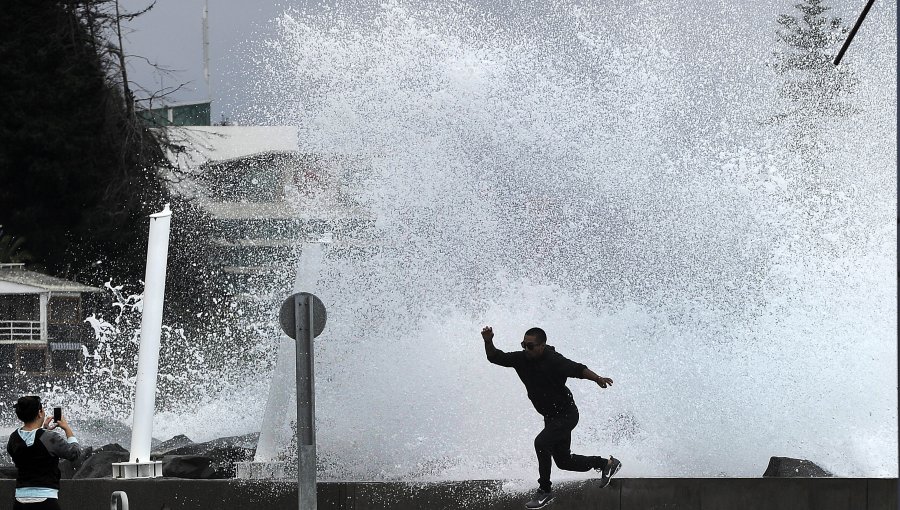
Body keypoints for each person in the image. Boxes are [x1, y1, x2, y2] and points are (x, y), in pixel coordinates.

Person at [481, 325, 621, 509]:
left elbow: (578, 369)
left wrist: (597, 378)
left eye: (530, 346)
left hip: (566, 414)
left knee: (541, 443)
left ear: (542, 346)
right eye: (524, 344)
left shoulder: (554, 360)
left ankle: (545, 491)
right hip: (551, 417)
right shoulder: (521, 358)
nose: (526, 349)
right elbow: (494, 357)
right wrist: (488, 341)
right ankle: (606, 464)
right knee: (564, 462)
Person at [7, 396, 82, 510]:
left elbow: (29, 452)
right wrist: (67, 429)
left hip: (19, 501)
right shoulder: (48, 437)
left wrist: (44, 431)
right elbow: (74, 453)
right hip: (46, 500)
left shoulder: (14, 437)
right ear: (40, 413)